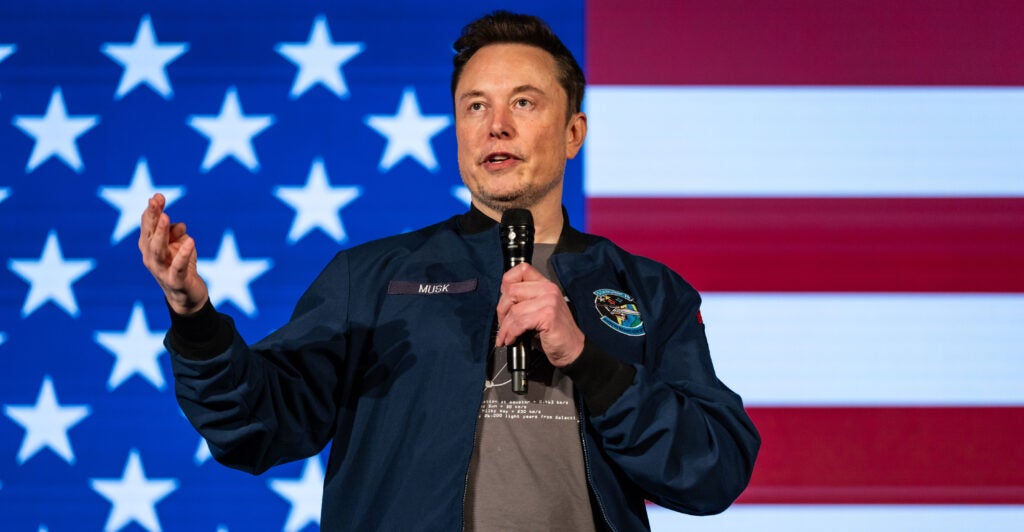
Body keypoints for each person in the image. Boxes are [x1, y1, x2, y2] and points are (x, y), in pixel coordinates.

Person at [139, 11, 759, 531]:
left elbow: (713, 471)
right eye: (475, 106)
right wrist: (195, 319)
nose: (497, 125)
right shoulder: (372, 278)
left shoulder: (646, 291)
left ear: (573, 132)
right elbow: (255, 425)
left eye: (524, 102)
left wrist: (589, 361)